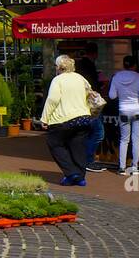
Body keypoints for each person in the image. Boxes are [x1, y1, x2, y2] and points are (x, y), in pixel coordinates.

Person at [41, 54, 98, 186]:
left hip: (63, 119)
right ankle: (80, 177)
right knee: (78, 146)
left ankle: (71, 172)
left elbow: (53, 100)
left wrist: (45, 118)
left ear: (59, 67)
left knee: (54, 143)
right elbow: (90, 94)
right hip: (83, 117)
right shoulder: (80, 78)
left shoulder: (58, 80)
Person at [109, 55, 139, 176]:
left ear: (124, 65)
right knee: (136, 139)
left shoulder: (116, 77)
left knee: (124, 139)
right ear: (134, 65)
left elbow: (112, 96)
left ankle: (121, 168)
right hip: (137, 110)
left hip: (123, 110)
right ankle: (134, 167)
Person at [75, 45, 107, 171]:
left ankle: (85, 159)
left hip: (83, 104)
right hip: (91, 104)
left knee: (88, 132)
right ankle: (88, 160)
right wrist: (101, 85)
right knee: (99, 133)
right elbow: (92, 84)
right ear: (94, 53)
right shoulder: (89, 65)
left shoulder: (79, 65)